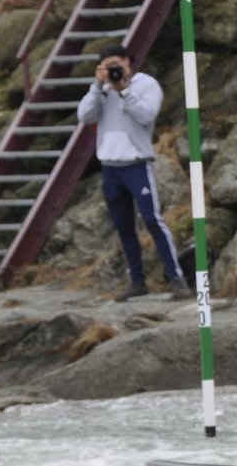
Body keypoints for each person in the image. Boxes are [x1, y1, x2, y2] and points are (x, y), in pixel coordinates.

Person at [76, 44, 191, 301]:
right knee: (123, 226)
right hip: (110, 167)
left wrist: (124, 92)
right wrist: (98, 86)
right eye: (108, 67)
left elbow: (147, 115)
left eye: (117, 64)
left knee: (152, 220)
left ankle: (176, 277)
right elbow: (84, 116)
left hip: (137, 164)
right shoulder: (101, 89)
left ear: (128, 61)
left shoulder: (146, 85)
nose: (114, 71)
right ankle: (136, 281)